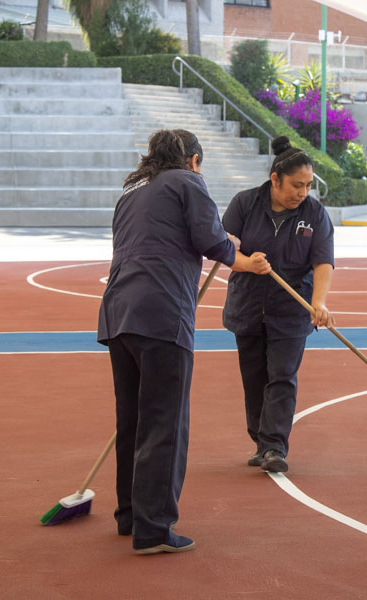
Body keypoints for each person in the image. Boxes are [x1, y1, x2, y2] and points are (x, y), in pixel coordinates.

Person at [97, 129, 270, 554]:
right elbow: (210, 239)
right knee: (164, 424)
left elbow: (173, 235)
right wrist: (244, 259)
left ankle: (131, 516)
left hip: (119, 313)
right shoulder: (188, 181)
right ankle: (154, 529)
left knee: (133, 422)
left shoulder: (131, 191)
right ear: (193, 159)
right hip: (161, 315)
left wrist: (220, 244)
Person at [222, 135, 335, 474]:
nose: (302, 192)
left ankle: (274, 445)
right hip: (248, 306)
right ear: (275, 179)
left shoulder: (314, 213)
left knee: (282, 376)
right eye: (296, 185)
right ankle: (260, 440)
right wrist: (246, 263)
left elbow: (323, 261)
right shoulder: (244, 203)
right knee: (254, 378)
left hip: (291, 311)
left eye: (308, 185)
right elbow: (224, 249)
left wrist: (319, 303)